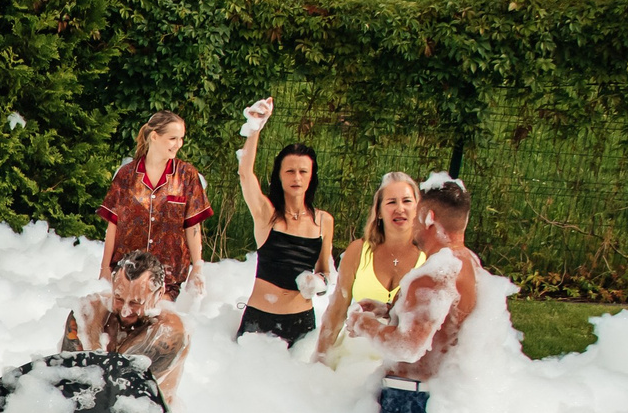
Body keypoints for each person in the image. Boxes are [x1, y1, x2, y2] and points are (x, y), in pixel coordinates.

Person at [346, 176, 479, 413]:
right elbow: (441, 324)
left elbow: (407, 347)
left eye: (416, 214)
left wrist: (363, 325)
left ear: (429, 217)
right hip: (434, 395)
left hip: (410, 402)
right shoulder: (467, 262)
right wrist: (389, 311)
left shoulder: (433, 275)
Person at [230, 98, 333, 347]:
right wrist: (254, 127)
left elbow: (325, 270)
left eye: (303, 171)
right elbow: (245, 174)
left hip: (302, 322)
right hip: (260, 322)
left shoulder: (323, 221)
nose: (296, 177)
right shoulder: (267, 214)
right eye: (290, 171)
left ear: (311, 177)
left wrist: (319, 283)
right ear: (279, 175)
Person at [95, 111, 212, 299]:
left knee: (157, 322)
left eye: (181, 138)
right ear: (154, 137)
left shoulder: (187, 176)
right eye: (173, 138)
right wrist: (105, 268)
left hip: (168, 276)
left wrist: (198, 267)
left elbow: (193, 226)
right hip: (126, 272)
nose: (178, 144)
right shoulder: (126, 175)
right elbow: (113, 225)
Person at [314, 171, 426, 363]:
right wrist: (319, 360)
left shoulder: (429, 257)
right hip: (353, 360)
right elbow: (336, 312)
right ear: (379, 212)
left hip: (404, 366)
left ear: (417, 208)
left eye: (407, 201)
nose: (400, 208)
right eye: (391, 202)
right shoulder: (358, 250)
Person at [68, 251, 190, 402]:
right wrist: (93, 326)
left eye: (135, 303)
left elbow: (117, 392)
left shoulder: (170, 333)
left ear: (159, 294)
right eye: (119, 298)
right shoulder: (87, 312)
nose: (125, 311)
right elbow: (68, 379)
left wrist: (93, 339)